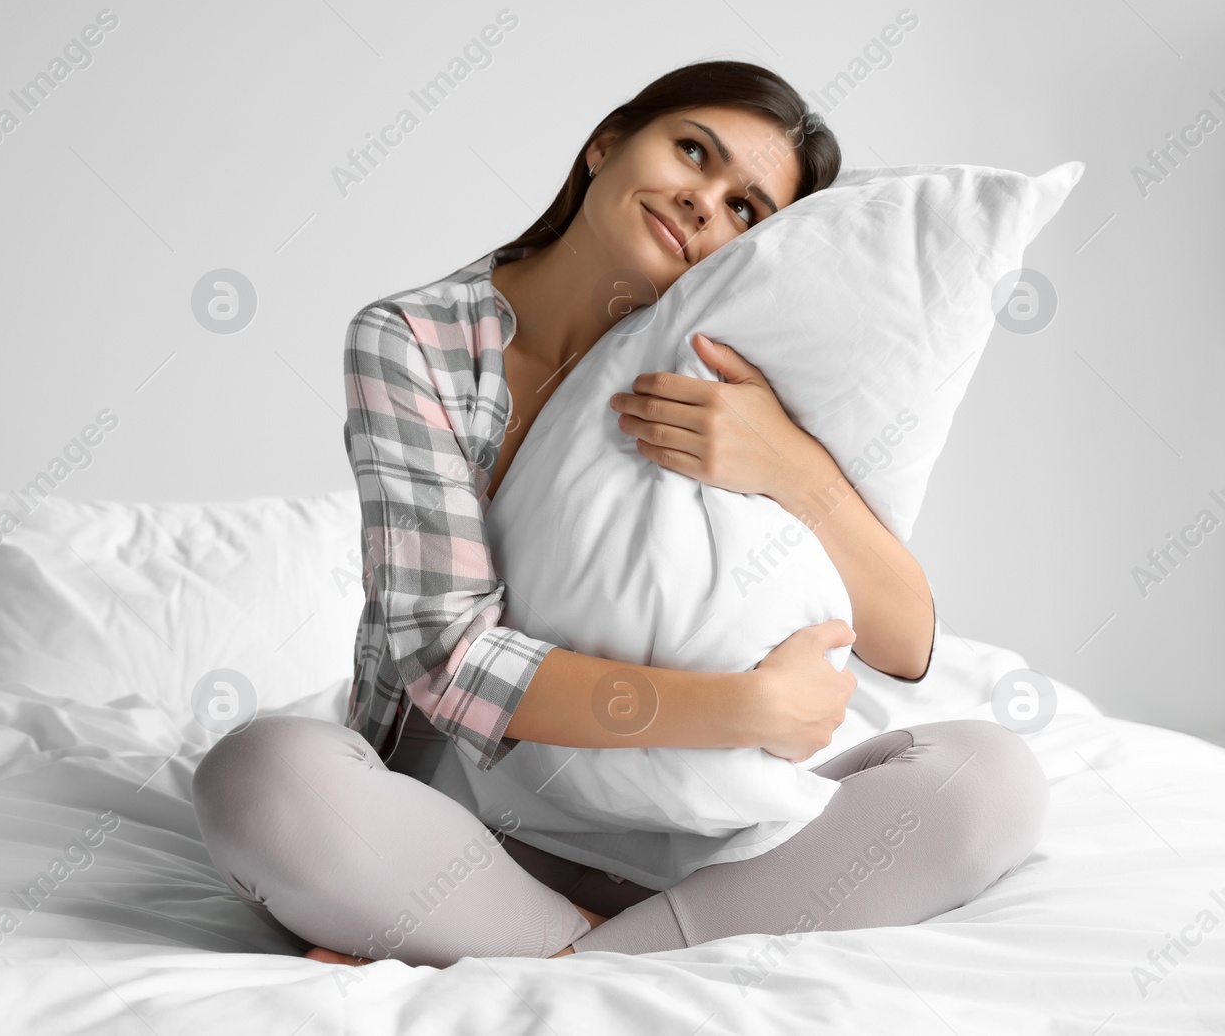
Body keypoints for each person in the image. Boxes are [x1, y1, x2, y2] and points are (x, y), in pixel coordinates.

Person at [192, 60, 1048, 968]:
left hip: (696, 836)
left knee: (993, 781)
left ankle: (567, 958)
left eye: (745, 207)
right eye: (691, 151)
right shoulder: (416, 342)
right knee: (262, 776)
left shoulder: (749, 346)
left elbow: (906, 645)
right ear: (605, 144)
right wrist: (743, 707)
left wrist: (792, 465)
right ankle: (625, 956)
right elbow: (449, 660)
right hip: (464, 835)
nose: (702, 202)